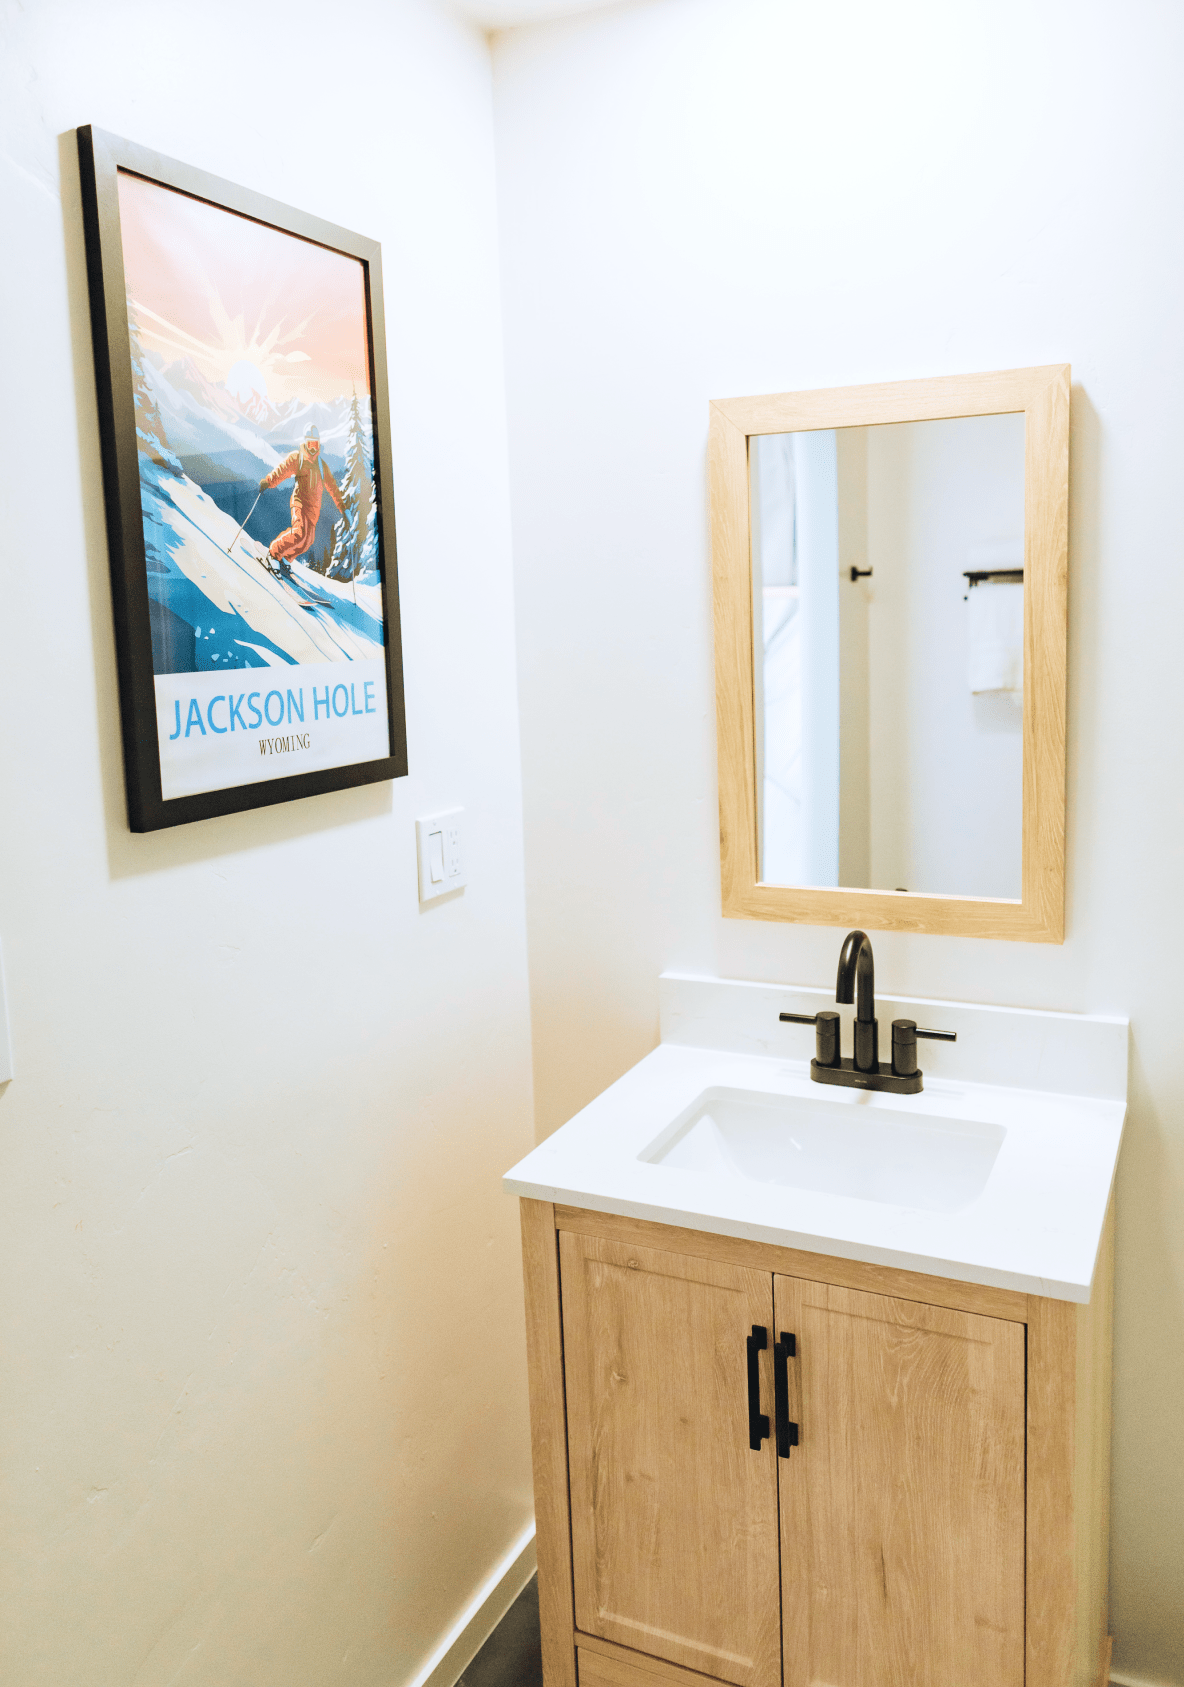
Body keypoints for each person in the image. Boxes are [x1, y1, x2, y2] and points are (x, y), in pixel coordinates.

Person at [258, 424, 343, 575]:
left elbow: (333, 488)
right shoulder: (298, 458)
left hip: (313, 510)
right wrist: (268, 481)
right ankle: (274, 553)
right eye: (310, 443)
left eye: (315, 443)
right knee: (299, 533)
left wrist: (344, 507)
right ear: (305, 442)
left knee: (307, 541)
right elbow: (282, 471)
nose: (313, 447)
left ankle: (286, 559)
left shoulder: (321, 466)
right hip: (300, 504)